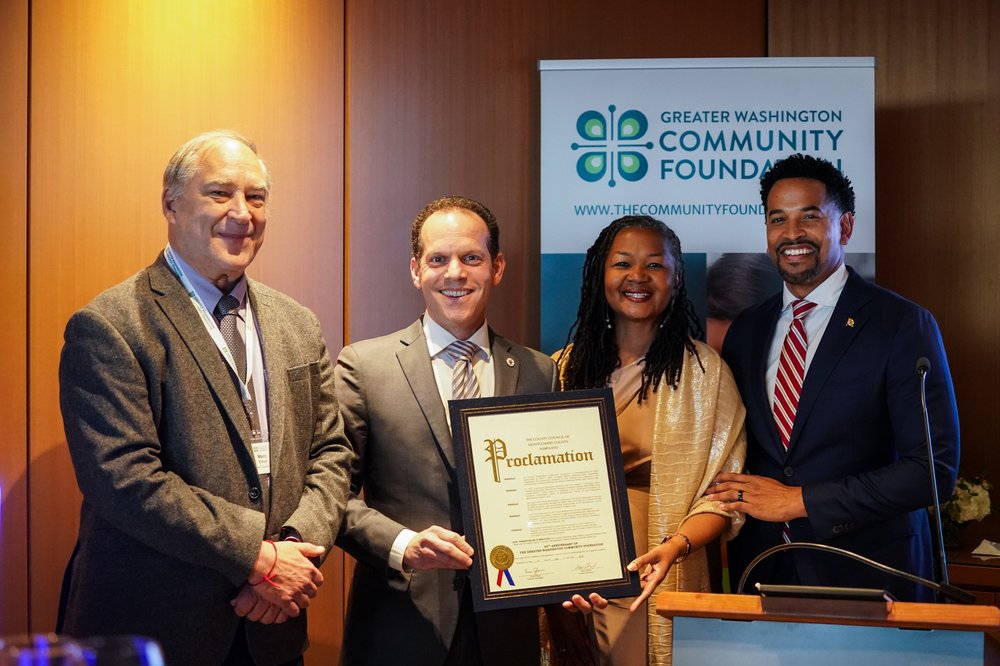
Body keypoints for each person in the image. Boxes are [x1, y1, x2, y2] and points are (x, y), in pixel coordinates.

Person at [57, 130, 354, 665]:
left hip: (273, 628)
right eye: (220, 193)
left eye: (256, 197)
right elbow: (124, 479)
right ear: (170, 204)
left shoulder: (298, 324)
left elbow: (332, 454)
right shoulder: (110, 325)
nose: (242, 213)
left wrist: (293, 550)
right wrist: (258, 560)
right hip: (157, 632)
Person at [706, 153, 960, 601]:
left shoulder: (901, 324)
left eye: (809, 217)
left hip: (869, 573)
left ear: (844, 227)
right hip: (762, 571)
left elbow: (931, 472)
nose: (791, 234)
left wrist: (799, 500)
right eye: (777, 219)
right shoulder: (748, 328)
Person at [334, 196, 559, 665]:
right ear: (416, 270)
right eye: (438, 259)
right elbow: (332, 498)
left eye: (471, 258)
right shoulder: (364, 367)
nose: (454, 273)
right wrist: (404, 545)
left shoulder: (540, 372)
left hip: (506, 630)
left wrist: (574, 570)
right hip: (401, 625)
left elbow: (548, 497)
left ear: (496, 267)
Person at [546, 215, 746, 665]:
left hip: (663, 574)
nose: (637, 276)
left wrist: (677, 546)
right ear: (601, 277)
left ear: (676, 281)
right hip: (574, 581)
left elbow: (725, 495)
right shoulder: (560, 369)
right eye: (622, 264)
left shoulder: (707, 375)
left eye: (655, 265)